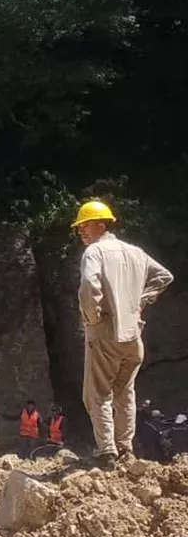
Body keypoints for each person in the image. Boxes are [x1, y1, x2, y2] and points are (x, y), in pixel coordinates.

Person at [73, 200, 174, 467]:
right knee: (125, 393)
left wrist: (91, 317)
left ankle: (107, 453)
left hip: (105, 332)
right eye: (79, 227)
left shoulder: (95, 252)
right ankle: (125, 449)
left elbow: (88, 285)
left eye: (84, 225)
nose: (80, 230)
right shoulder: (136, 253)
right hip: (132, 336)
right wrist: (140, 303)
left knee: (97, 394)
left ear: (101, 224)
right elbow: (164, 277)